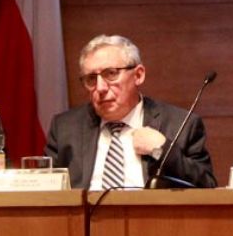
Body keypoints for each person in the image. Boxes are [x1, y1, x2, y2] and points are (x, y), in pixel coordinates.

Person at [45, 34, 216, 189]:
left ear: (138, 75)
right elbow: (43, 188)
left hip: (153, 221)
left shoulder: (180, 124)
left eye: (111, 74)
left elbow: (207, 185)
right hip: (85, 222)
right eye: (91, 79)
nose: (100, 87)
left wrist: (162, 150)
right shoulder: (65, 128)